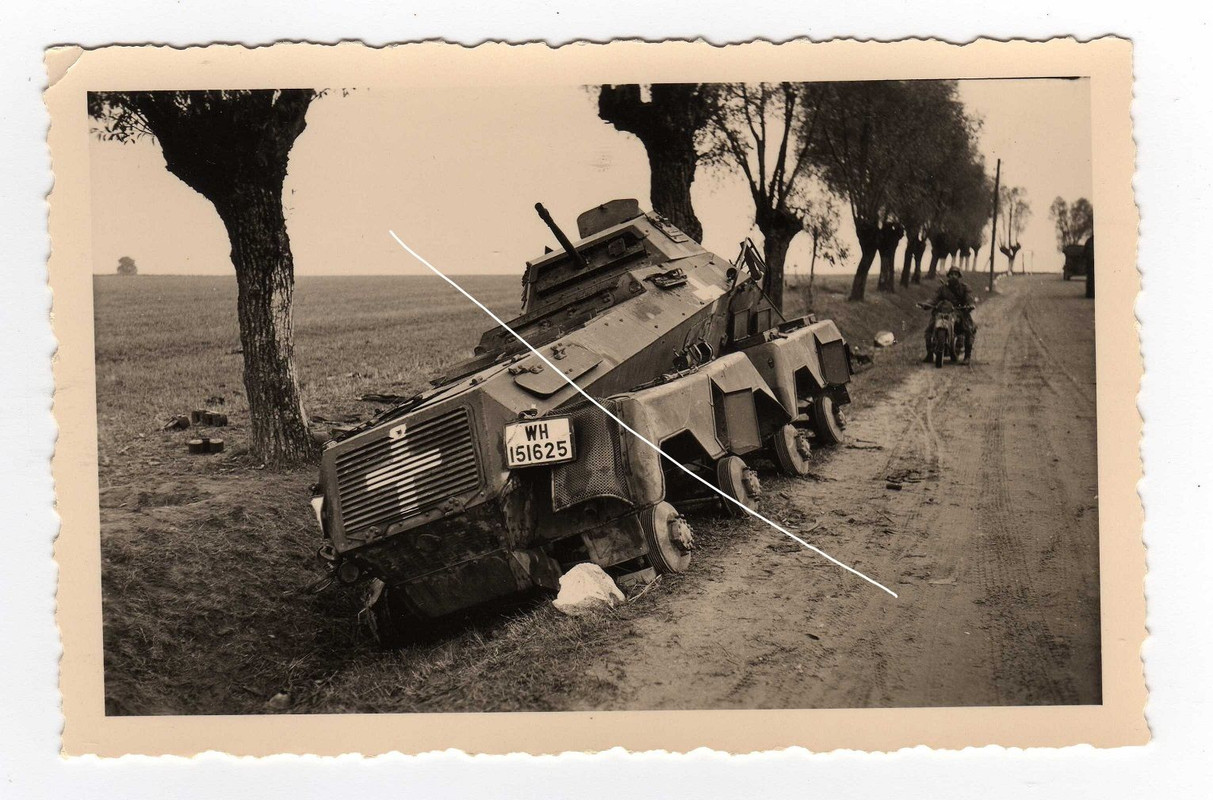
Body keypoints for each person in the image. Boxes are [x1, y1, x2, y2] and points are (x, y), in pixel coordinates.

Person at [921, 267, 977, 363]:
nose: (953, 276)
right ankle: (929, 354)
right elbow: (934, 298)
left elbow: (969, 298)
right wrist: (927, 304)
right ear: (948, 276)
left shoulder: (964, 288)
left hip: (959, 312)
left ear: (959, 276)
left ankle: (967, 356)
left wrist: (970, 305)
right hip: (943, 312)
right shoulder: (942, 288)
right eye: (951, 274)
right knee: (929, 329)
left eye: (955, 274)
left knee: (968, 329)